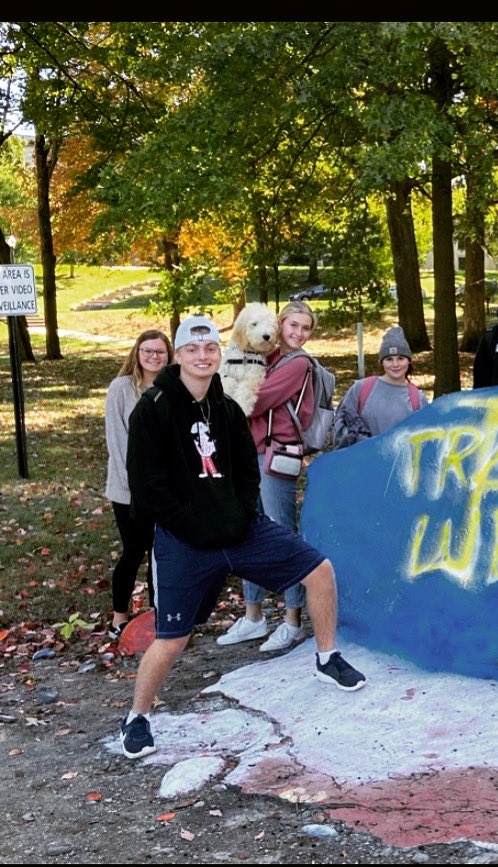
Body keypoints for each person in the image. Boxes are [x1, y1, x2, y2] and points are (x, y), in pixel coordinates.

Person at [121, 316, 365, 760]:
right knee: (173, 637)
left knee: (320, 571)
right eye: (192, 349)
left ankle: (326, 657)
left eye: (209, 348)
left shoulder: (228, 408)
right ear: (178, 356)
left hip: (239, 530)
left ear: (220, 353)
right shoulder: (153, 409)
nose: (202, 356)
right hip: (186, 539)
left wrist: (240, 515)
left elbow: (248, 472)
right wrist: (194, 526)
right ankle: (137, 716)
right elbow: (147, 486)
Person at [217, 300, 322, 652]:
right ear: (279, 324)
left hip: (276, 457)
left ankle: (292, 621)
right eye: (293, 326)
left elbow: (259, 400)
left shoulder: (298, 363)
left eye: (305, 328)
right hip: (251, 454)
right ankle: (253, 616)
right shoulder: (269, 355)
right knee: (248, 531)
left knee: (281, 535)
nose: (298, 333)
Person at [104, 329, 173, 636]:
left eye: (160, 351)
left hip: (165, 489)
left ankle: (161, 615)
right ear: (137, 353)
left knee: (161, 554)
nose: (153, 356)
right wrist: (134, 487)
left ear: (168, 355)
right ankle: (119, 617)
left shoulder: (173, 388)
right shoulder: (121, 388)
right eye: (148, 351)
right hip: (128, 490)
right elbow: (116, 441)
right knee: (133, 551)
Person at [333, 326, 428, 449]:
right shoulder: (362, 388)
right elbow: (339, 423)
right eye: (389, 359)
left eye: (401, 358)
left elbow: (424, 438)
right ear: (381, 362)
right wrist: (357, 440)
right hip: (362, 458)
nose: (395, 364)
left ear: (409, 361)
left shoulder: (417, 398)